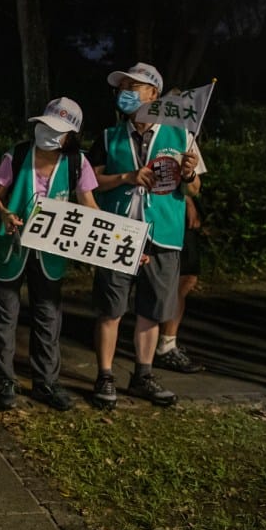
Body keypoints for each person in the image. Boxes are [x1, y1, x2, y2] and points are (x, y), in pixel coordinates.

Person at [87, 62, 205, 409]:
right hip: (118, 232)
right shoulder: (109, 136)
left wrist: (188, 175)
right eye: (122, 87)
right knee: (110, 309)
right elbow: (89, 182)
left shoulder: (182, 136)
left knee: (151, 310)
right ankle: (104, 376)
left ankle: (143, 375)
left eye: (133, 86)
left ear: (154, 94)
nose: (125, 92)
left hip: (163, 234)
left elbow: (194, 188)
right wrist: (125, 177)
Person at [0, 97, 99, 411]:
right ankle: (3, 381)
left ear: (71, 135)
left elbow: (89, 206)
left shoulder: (77, 163)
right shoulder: (19, 154)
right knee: (3, 315)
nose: (48, 132)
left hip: (50, 251)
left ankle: (46, 382)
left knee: (48, 315)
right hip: (11, 246)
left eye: (57, 129)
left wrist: (119, 243)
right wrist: (5, 214)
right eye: (45, 125)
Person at [153, 194, 204, 373]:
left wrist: (189, 199)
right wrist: (187, 198)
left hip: (177, 206)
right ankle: (163, 346)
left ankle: (166, 343)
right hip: (159, 206)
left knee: (186, 278)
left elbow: (194, 186)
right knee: (175, 278)